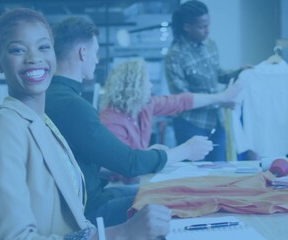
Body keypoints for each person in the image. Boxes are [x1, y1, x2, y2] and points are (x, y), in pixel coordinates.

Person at [0, 8, 171, 239]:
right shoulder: (0, 131)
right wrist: (120, 233)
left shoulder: (43, 123)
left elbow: (76, 215)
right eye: (17, 49)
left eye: (44, 47)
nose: (34, 57)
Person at [46, 16, 213, 227]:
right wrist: (185, 151)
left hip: (84, 200)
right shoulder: (72, 105)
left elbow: (83, 163)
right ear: (83, 52)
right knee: (179, 200)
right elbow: (129, 164)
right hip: (88, 209)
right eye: (95, 53)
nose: (97, 60)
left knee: (165, 192)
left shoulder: (54, 97)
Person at [165, 0, 249, 161]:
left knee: (219, 173)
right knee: (195, 176)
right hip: (191, 126)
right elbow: (182, 98)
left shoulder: (210, 45)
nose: (207, 31)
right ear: (186, 26)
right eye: (202, 27)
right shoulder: (174, 56)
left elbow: (218, 74)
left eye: (208, 25)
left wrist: (239, 71)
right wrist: (220, 100)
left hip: (216, 123)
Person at [100, 59, 241, 150]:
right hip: (119, 184)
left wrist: (220, 97)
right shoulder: (111, 121)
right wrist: (179, 151)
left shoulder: (144, 106)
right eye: (146, 82)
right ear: (133, 87)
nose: (150, 86)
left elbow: (181, 101)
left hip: (138, 179)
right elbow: (127, 167)